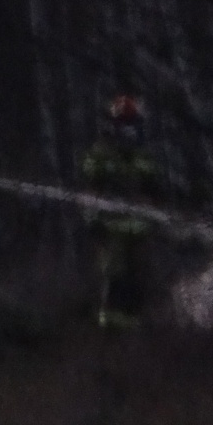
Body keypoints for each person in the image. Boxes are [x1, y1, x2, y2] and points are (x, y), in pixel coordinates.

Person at [80, 96, 159, 330]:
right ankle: (111, 326)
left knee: (139, 278)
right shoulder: (100, 155)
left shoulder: (143, 156)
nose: (129, 130)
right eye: (124, 123)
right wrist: (92, 219)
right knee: (115, 276)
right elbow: (89, 189)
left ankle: (135, 325)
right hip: (110, 227)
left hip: (140, 228)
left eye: (132, 123)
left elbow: (153, 189)